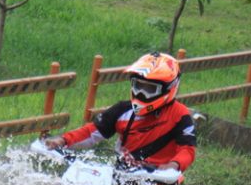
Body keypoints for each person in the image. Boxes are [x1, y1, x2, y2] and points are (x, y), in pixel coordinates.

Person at [43, 52, 196, 173]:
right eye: (138, 86)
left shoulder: (180, 115)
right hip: (123, 173)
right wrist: (63, 140)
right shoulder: (123, 110)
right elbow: (92, 131)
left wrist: (173, 165)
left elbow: (187, 150)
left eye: (149, 89)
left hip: (160, 180)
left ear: (169, 88)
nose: (141, 94)